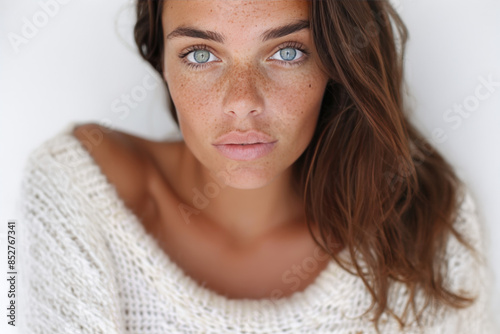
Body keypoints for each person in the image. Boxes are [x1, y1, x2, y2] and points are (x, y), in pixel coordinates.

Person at [18, 0, 497, 333]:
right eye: (200, 54)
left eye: (286, 52)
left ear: (335, 62)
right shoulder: (76, 193)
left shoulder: (425, 221)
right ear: (161, 61)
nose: (242, 102)